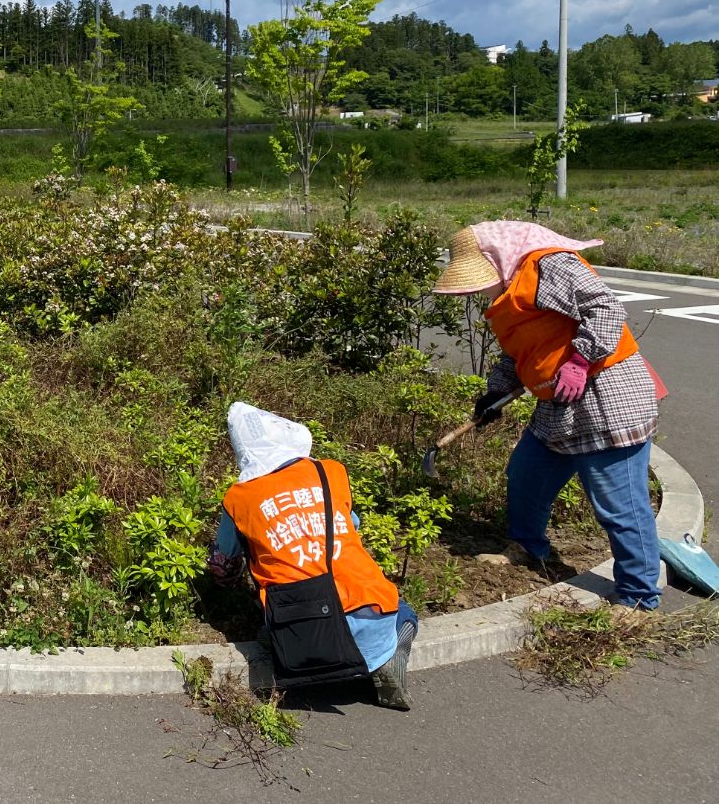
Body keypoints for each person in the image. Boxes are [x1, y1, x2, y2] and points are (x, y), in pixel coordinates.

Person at [433, 221, 663, 611]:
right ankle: (527, 545)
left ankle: (639, 597)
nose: (478, 288)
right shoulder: (510, 292)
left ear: (496, 257)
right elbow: (520, 351)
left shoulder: (549, 266)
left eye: (480, 276)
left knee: (619, 504)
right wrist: (496, 391)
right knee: (526, 475)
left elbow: (606, 307)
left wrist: (578, 360)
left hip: (607, 401)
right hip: (558, 410)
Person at [208, 402, 417, 710]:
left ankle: (277, 648)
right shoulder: (330, 473)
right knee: (404, 611)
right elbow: (352, 523)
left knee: (267, 622)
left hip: (297, 627)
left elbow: (222, 563)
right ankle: (385, 661)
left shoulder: (239, 498)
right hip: (367, 610)